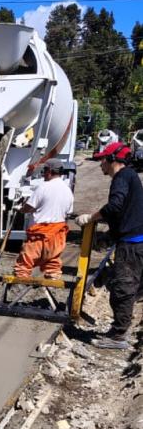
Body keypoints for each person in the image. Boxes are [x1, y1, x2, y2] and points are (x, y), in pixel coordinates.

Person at [76, 142, 143, 350]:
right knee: (125, 286)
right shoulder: (130, 176)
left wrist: (90, 218)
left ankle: (119, 336)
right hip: (133, 239)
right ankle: (118, 331)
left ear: (113, 160)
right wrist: (108, 237)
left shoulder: (122, 178)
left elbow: (115, 206)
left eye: (103, 160)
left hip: (132, 245)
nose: (100, 164)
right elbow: (126, 212)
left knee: (123, 288)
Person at [13, 158, 74, 279]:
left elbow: (29, 207)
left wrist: (19, 209)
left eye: (44, 171)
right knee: (52, 263)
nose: (43, 175)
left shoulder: (43, 187)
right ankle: (52, 279)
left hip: (39, 234)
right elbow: (69, 212)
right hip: (57, 235)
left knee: (24, 265)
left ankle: (19, 286)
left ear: (49, 171)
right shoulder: (67, 191)